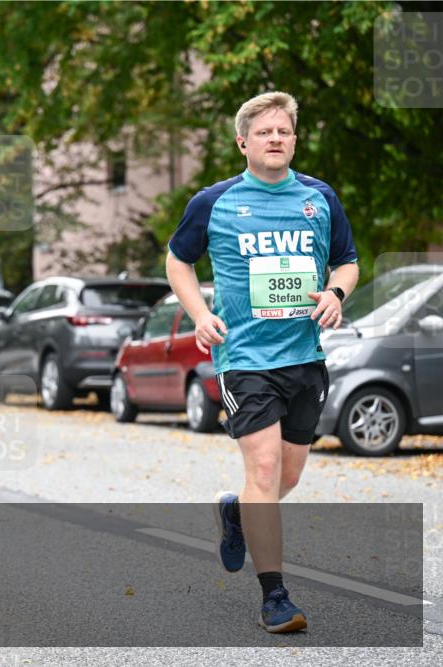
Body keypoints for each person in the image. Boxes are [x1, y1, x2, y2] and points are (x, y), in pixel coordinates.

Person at [165, 92, 359, 633]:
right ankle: (275, 597)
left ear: (294, 140)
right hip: (245, 357)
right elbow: (178, 260)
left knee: (285, 479)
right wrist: (200, 314)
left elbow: (347, 261)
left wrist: (336, 294)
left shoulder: (320, 198)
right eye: (265, 131)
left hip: (305, 357)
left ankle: (235, 511)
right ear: (242, 141)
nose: (276, 138)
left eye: (285, 131)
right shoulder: (215, 201)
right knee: (266, 469)